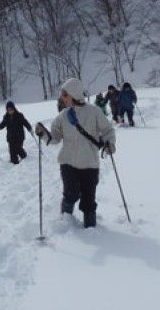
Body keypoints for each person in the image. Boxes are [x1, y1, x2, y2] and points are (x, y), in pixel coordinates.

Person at [35, 77, 116, 228]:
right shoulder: (63, 116)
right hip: (68, 163)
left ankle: (91, 230)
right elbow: (55, 138)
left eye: (65, 94)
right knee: (70, 194)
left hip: (90, 164)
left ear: (74, 94)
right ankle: (65, 223)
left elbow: (107, 130)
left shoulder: (94, 112)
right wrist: (43, 134)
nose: (62, 98)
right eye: (62, 95)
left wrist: (110, 144)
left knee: (88, 200)